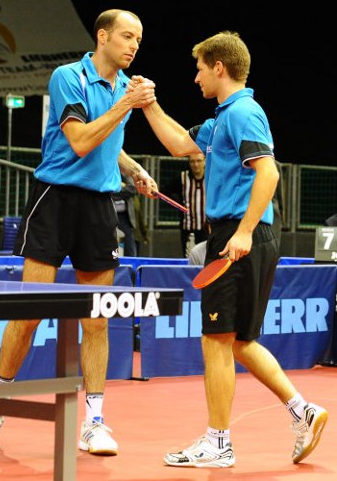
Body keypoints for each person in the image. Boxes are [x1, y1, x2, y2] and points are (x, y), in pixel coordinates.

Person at [135, 31, 327, 467]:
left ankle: (218, 443)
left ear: (219, 67)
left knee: (216, 340)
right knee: (240, 341)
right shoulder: (222, 117)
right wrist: (148, 105)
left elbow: (269, 174)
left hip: (241, 236)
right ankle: (304, 412)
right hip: (243, 235)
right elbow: (181, 143)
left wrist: (241, 232)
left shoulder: (243, 113)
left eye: (200, 68)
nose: (197, 77)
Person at [0, 8, 157, 455]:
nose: (133, 46)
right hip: (54, 199)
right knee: (30, 312)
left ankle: (94, 421)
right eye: (127, 37)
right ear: (103, 36)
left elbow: (110, 142)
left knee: (97, 318)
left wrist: (132, 169)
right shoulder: (68, 77)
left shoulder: (118, 88)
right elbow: (80, 140)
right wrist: (127, 105)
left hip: (98, 206)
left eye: (139, 39)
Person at [169, 153, 208, 257]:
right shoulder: (182, 177)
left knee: (207, 258)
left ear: (205, 161)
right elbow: (165, 191)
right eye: (192, 161)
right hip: (188, 227)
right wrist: (179, 204)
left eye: (199, 161)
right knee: (189, 257)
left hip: (208, 227)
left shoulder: (212, 177)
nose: (196, 165)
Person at [112, 173, 138, 256]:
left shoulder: (125, 172)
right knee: (111, 251)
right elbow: (102, 191)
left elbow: (132, 189)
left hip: (124, 217)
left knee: (129, 250)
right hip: (105, 216)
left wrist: (113, 191)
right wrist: (121, 187)